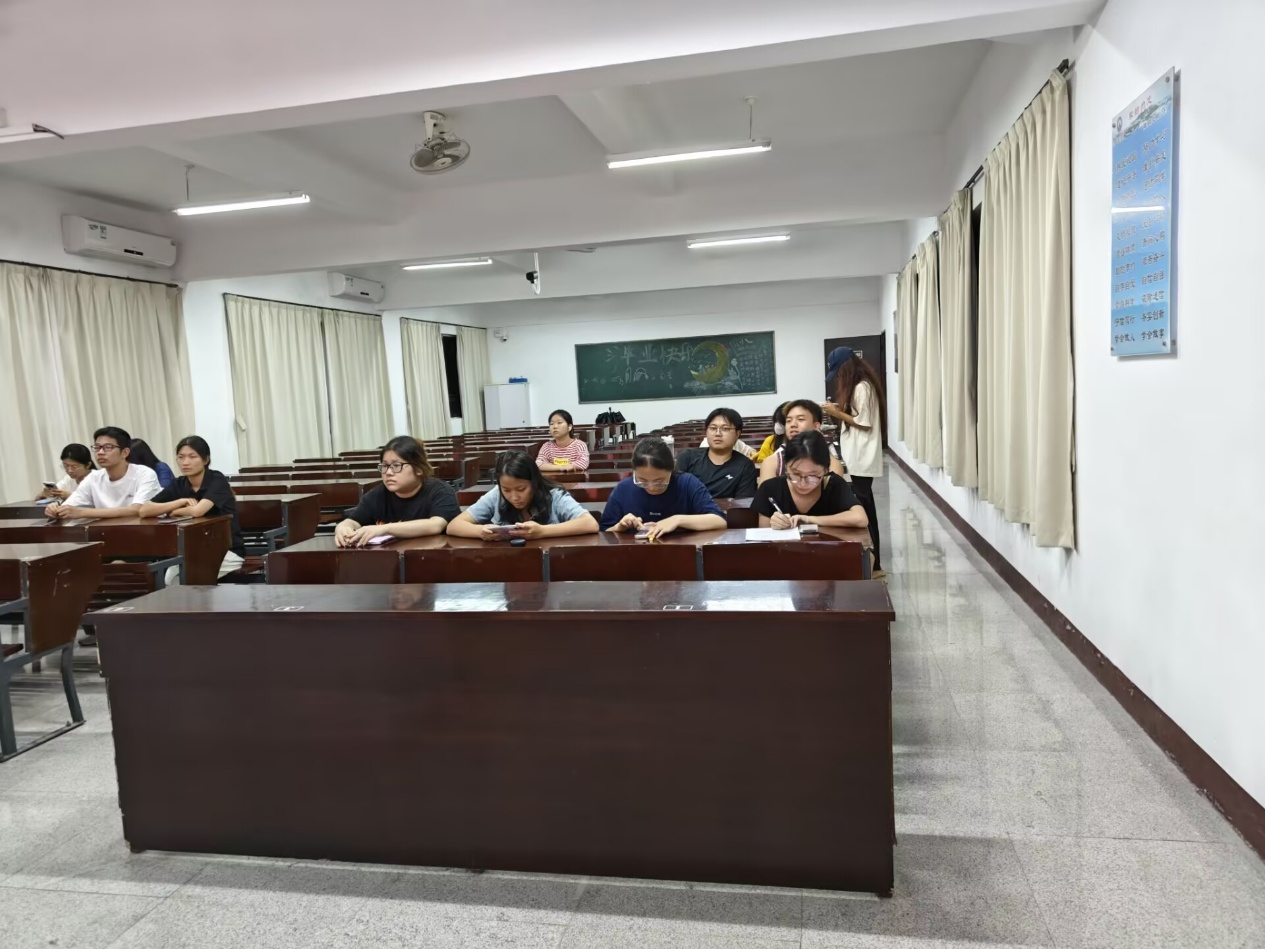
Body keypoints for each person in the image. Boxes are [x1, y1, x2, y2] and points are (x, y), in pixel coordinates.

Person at [137, 436, 246, 585]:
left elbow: (197, 511)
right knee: (169, 579)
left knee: (183, 579)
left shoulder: (217, 479)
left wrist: (175, 512)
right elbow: (144, 510)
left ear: (206, 460)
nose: (185, 462)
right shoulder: (179, 483)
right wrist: (179, 502)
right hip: (192, 550)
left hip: (226, 550)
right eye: (181, 457)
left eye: (192, 457)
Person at [822, 346, 887, 577]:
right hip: (858, 457)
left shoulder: (862, 387)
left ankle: (875, 564)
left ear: (847, 367)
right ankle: (873, 563)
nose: (838, 377)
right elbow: (858, 416)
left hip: (862, 457)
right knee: (865, 507)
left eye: (839, 372)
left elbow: (864, 423)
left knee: (865, 511)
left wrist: (837, 413)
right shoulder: (860, 387)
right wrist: (839, 409)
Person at [335, 435, 460, 547]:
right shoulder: (377, 495)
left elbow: (435, 525)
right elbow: (353, 521)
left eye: (396, 466)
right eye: (385, 466)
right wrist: (343, 527)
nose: (388, 472)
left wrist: (385, 529)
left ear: (418, 468)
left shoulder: (440, 491)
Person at [447, 450, 599, 541]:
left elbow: (590, 523)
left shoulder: (555, 496)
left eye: (521, 489)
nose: (514, 497)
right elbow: (454, 526)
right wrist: (480, 532)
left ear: (534, 482)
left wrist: (543, 532)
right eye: (506, 490)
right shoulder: (496, 494)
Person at [599, 437, 725, 539]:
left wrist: (678, 520)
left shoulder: (687, 484)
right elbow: (603, 533)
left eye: (659, 481)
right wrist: (618, 528)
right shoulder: (623, 489)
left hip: (681, 554)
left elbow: (719, 521)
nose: (651, 488)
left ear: (673, 466)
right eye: (642, 481)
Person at [754, 431, 868, 531]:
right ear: (786, 467)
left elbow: (861, 519)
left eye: (813, 476)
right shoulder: (770, 489)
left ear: (826, 470)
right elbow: (763, 538)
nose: (803, 484)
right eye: (795, 474)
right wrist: (775, 525)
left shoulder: (833, 485)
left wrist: (808, 520)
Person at [47, 426, 161, 519]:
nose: (100, 452)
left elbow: (137, 510)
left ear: (125, 453)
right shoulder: (93, 477)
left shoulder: (144, 474)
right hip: (104, 533)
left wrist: (82, 512)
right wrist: (55, 509)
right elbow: (69, 506)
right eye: (97, 447)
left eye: (108, 447)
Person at [675, 407, 757, 500]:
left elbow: (743, 504)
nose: (718, 433)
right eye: (713, 428)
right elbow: (674, 494)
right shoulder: (687, 457)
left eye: (725, 429)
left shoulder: (745, 466)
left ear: (737, 434)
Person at [757, 399, 846, 483]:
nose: (793, 424)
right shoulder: (772, 462)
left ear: (816, 426)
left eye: (800, 419)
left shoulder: (831, 464)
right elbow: (765, 493)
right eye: (788, 421)